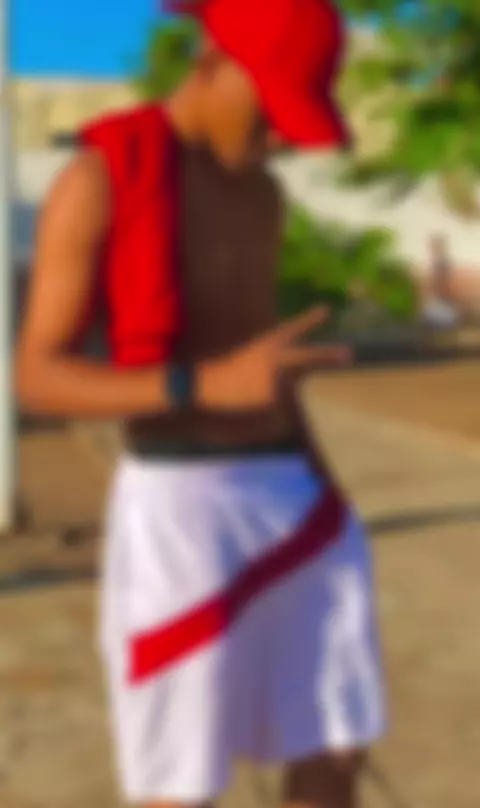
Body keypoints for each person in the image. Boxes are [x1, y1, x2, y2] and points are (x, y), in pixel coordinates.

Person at [15, 1, 386, 806]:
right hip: (180, 505)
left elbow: (261, 369)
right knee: (180, 780)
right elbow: (36, 375)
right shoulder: (99, 180)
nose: (283, 137)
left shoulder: (263, 198)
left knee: (336, 745)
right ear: (215, 61)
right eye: (273, 108)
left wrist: (330, 491)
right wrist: (199, 385)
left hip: (292, 493)